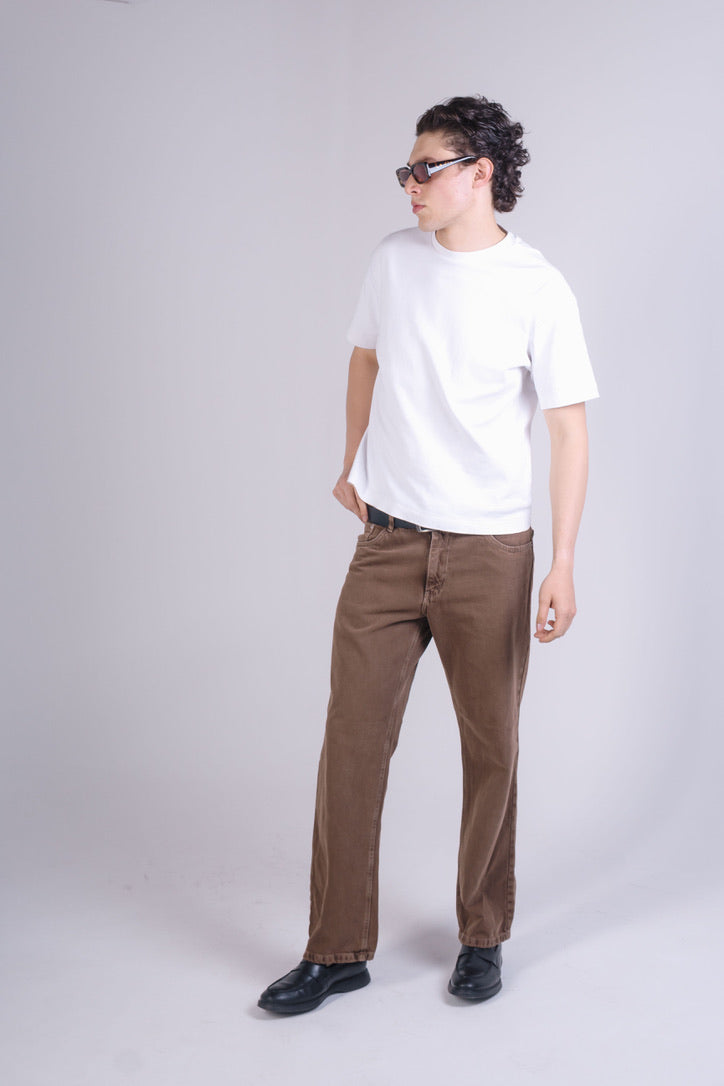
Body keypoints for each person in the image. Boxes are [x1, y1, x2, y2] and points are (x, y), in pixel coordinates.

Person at [258, 94, 599, 1015]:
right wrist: (351, 460)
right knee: (350, 745)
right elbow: (365, 359)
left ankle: (482, 936)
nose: (409, 185)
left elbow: (569, 431)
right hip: (388, 544)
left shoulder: (537, 286)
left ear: (479, 173)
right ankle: (336, 950)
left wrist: (563, 561)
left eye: (426, 169)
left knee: (492, 749)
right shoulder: (393, 261)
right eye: (405, 171)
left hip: (491, 552)